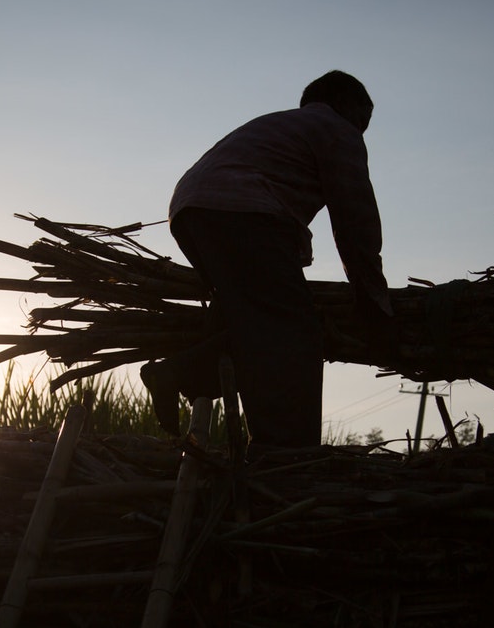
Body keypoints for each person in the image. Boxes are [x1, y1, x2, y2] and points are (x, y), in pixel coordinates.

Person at [141, 70, 393, 455]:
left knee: (251, 323)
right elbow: (354, 215)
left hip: (193, 209)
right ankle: (284, 452)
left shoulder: (282, 126)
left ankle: (186, 370)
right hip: (243, 210)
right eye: (363, 119)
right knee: (294, 333)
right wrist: (372, 297)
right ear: (344, 103)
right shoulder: (335, 127)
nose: (362, 130)